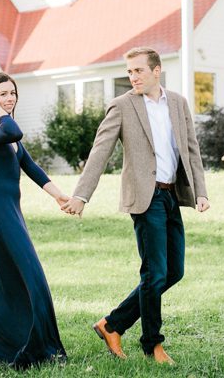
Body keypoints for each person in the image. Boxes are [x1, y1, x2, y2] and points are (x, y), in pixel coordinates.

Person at [61, 47, 210, 365]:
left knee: (173, 272)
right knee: (154, 272)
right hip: (145, 198)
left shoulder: (179, 104)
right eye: (129, 72)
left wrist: (200, 191)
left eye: (138, 70)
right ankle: (152, 345)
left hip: (172, 196)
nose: (133, 77)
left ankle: (112, 324)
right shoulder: (123, 106)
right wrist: (80, 195)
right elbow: (100, 151)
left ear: (157, 71)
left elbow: (192, 151)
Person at [0, 72, 68, 369]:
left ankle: (32, 343)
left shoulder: (2, 126)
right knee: (14, 279)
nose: (10, 98)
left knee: (18, 279)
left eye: (13, 93)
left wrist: (58, 195)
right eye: (4, 93)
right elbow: (13, 133)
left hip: (10, 209)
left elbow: (30, 165)